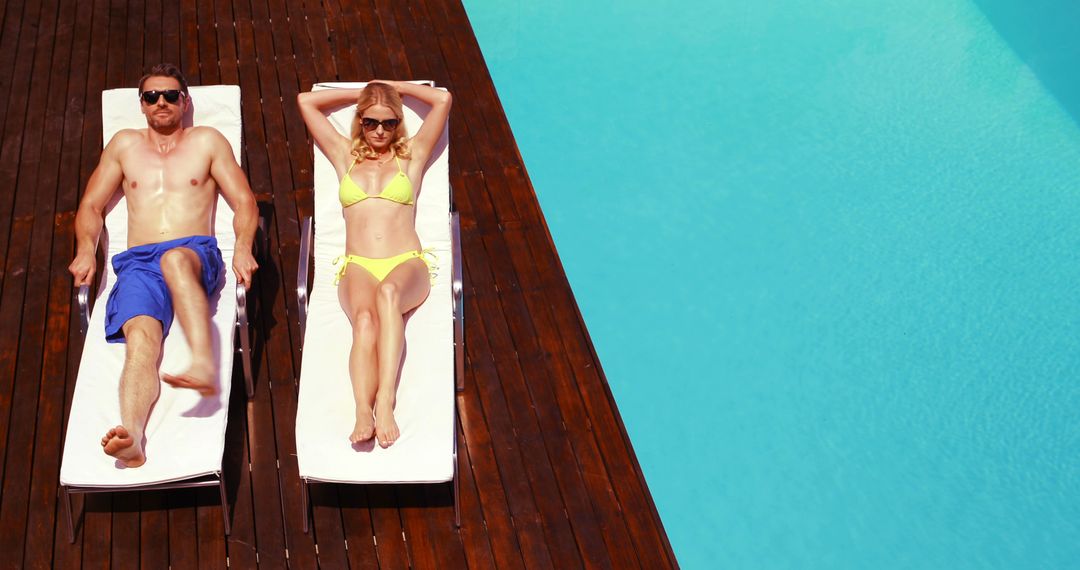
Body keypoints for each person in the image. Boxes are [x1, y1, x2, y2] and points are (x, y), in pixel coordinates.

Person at [69, 63, 259, 467]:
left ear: (185, 102)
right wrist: (87, 249)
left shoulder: (207, 140)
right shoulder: (123, 145)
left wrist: (242, 246)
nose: (161, 102)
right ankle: (133, 435)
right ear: (140, 104)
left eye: (171, 95)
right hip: (138, 264)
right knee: (140, 341)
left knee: (174, 259)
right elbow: (90, 205)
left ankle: (204, 361)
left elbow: (244, 201)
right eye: (152, 96)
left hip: (193, 252)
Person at [297, 81, 451, 448]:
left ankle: (385, 401)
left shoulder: (411, 155)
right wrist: (365, 94)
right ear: (360, 121)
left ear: (399, 123)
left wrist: (392, 90)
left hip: (406, 264)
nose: (380, 131)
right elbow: (306, 102)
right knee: (364, 323)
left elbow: (442, 99)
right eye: (370, 122)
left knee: (389, 294)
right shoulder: (343, 154)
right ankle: (362, 411)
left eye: (389, 123)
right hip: (358, 266)